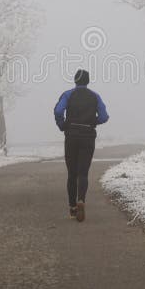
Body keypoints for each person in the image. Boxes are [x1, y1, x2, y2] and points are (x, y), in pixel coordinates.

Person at [53, 69, 109, 222]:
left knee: (72, 174)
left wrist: (62, 125)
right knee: (83, 173)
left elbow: (58, 110)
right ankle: (81, 200)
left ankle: (72, 209)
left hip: (71, 136)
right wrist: (92, 121)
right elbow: (104, 117)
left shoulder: (67, 94)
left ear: (75, 81)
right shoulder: (95, 96)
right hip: (88, 137)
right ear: (88, 81)